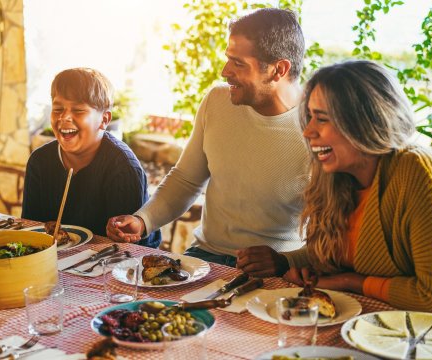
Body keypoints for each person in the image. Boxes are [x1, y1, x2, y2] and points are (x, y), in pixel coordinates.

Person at [106, 8, 309, 273]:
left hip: (273, 272)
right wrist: (142, 220)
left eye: (238, 63)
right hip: (204, 256)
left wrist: (287, 263)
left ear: (278, 69)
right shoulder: (217, 101)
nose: (225, 71)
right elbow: (186, 179)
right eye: (228, 59)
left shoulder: (316, 127)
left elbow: (333, 233)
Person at [282, 60, 432, 316]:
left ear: (364, 121)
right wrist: (285, 262)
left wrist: (349, 281)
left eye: (321, 119)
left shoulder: (418, 169)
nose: (308, 132)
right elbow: (339, 251)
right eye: (310, 117)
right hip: (364, 327)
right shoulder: (333, 177)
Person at [22, 68, 160, 248]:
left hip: (108, 264)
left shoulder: (123, 169)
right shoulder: (39, 162)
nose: (64, 117)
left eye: (78, 110)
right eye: (58, 109)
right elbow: (30, 230)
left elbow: (130, 248)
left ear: (104, 120)